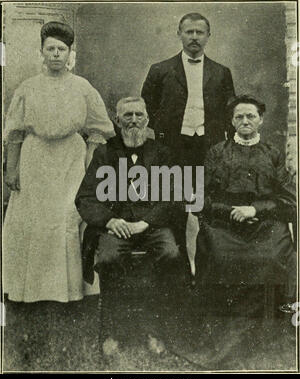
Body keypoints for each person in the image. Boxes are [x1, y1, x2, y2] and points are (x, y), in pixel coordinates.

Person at [3, 21, 115, 303]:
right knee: (34, 220)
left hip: (70, 159)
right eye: (50, 48)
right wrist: (12, 169)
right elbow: (15, 132)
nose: (55, 54)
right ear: (41, 52)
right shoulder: (28, 88)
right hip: (35, 159)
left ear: (69, 53)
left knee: (67, 218)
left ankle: (69, 289)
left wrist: (90, 164)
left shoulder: (82, 87)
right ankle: (30, 289)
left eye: (61, 49)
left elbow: (99, 129)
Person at [75, 97, 185, 353]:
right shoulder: (104, 153)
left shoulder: (163, 153)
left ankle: (154, 330)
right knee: (110, 258)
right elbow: (85, 197)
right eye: (127, 116)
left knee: (170, 254)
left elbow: (176, 196)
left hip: (153, 226)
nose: (133, 120)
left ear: (147, 120)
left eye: (138, 115)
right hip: (115, 226)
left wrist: (146, 222)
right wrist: (111, 220)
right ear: (117, 120)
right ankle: (113, 331)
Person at [194, 95, 296, 313]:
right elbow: (199, 198)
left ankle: (268, 326)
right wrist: (229, 211)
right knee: (220, 258)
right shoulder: (216, 152)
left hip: (265, 224)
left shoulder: (273, 154)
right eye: (239, 117)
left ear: (261, 120)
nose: (245, 121)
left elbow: (290, 201)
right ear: (231, 121)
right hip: (224, 226)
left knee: (271, 257)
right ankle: (222, 325)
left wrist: (255, 209)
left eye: (251, 116)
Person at [141, 12, 235, 180]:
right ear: (179, 34)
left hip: (210, 143)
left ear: (208, 36)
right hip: (171, 143)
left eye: (199, 32)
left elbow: (230, 111)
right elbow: (147, 106)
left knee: (207, 190)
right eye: (189, 32)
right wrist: (162, 131)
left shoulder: (221, 72)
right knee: (172, 190)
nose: (194, 37)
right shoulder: (159, 70)